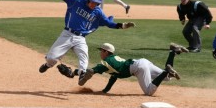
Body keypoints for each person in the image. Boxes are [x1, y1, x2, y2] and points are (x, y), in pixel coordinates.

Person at [37, 0, 135, 86]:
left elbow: (109, 24)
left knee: (84, 60)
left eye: (97, 3)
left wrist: (122, 26)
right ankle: (47, 65)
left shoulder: (98, 12)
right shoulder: (76, 1)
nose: (95, 5)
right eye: (93, 2)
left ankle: (81, 75)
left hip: (80, 38)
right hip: (67, 34)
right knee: (51, 59)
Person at [57, 42, 189, 96]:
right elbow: (113, 77)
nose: (100, 52)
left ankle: (167, 69)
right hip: (143, 62)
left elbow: (90, 71)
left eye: (101, 50)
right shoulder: (115, 59)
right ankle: (173, 52)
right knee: (167, 77)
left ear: (106, 51)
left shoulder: (105, 62)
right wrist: (105, 91)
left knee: (149, 92)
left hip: (139, 68)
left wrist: (73, 73)